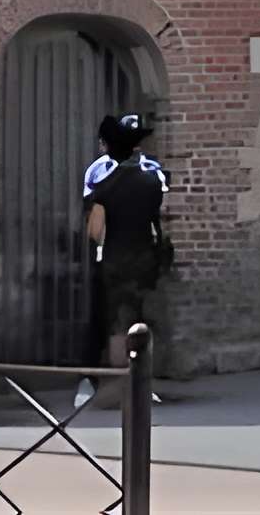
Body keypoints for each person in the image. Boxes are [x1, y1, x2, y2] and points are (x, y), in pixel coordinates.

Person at [79, 112, 168, 403]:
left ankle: (117, 384)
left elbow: (95, 230)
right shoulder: (151, 181)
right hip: (144, 260)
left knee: (113, 322)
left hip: (114, 260)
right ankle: (140, 384)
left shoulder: (105, 185)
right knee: (139, 320)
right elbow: (159, 219)